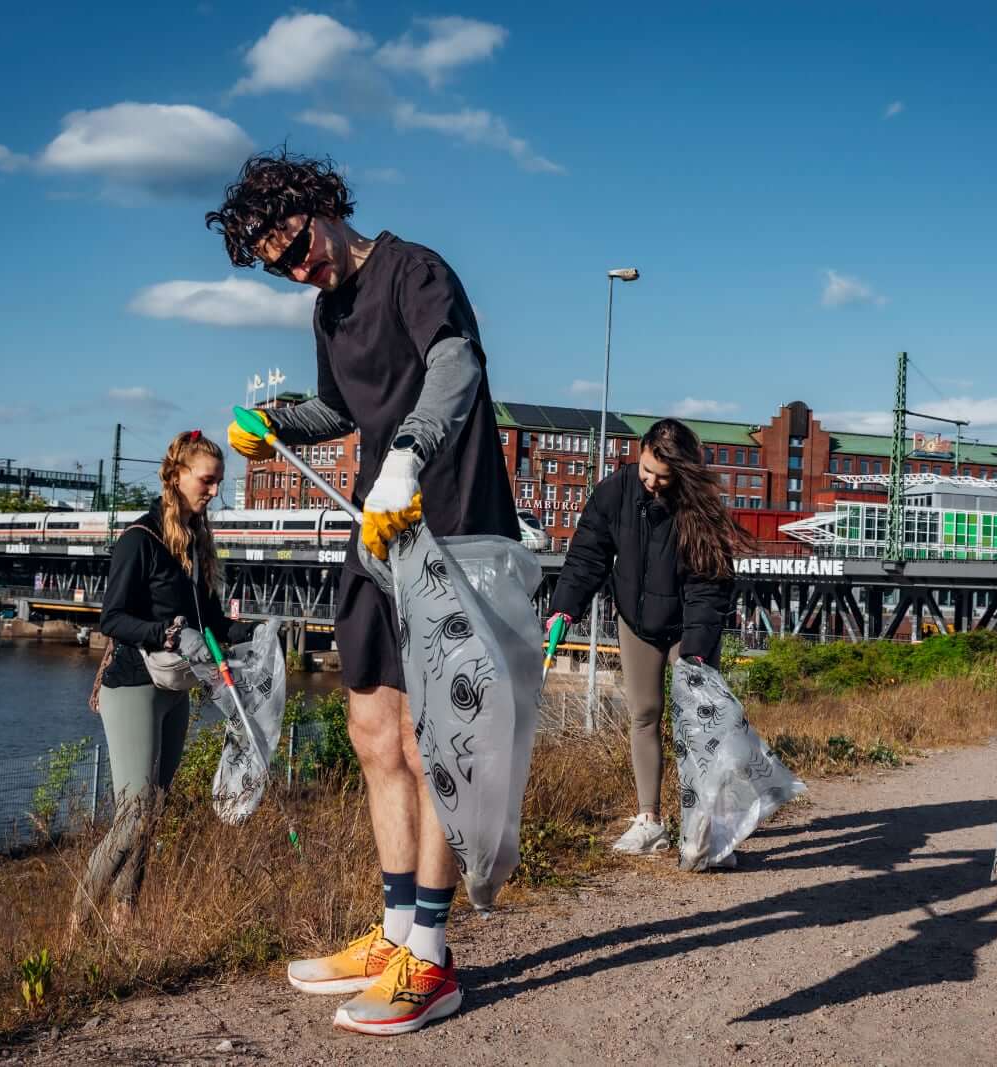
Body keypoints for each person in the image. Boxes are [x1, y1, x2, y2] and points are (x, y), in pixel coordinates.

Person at [207, 150, 517, 1036]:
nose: (295, 267)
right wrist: (275, 423)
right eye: (276, 264)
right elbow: (344, 408)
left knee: (431, 746)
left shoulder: (415, 271)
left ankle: (432, 955)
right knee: (371, 728)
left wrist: (412, 454)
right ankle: (389, 934)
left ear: (322, 206)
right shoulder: (325, 306)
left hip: (447, 519)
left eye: (296, 245)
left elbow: (456, 365)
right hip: (379, 530)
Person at [75, 431, 254, 926]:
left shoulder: (195, 543)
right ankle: (79, 921)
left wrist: (257, 633)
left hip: (175, 690)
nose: (214, 491)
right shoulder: (140, 539)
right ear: (176, 476)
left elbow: (213, 623)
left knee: (152, 811)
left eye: (219, 483)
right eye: (207, 481)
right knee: (133, 815)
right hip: (133, 684)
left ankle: (124, 918)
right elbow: (111, 619)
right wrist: (169, 632)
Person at [546, 418, 738, 857]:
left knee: (698, 724)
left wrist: (697, 651)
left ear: (683, 473)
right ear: (641, 451)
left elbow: (709, 586)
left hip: (687, 627)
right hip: (636, 621)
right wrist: (564, 607)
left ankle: (709, 829)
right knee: (645, 714)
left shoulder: (700, 511)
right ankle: (650, 820)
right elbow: (588, 553)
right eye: (646, 469)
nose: (650, 481)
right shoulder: (616, 491)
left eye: (661, 477)